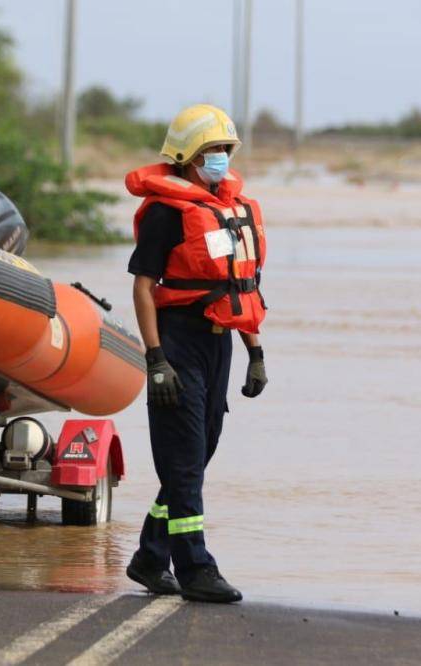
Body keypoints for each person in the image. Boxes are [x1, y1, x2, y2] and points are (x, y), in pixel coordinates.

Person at [124, 104, 268, 603]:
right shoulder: (166, 213)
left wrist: (255, 353)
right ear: (187, 156)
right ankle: (196, 568)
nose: (222, 157)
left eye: (226, 148)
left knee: (197, 454)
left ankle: (150, 557)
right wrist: (156, 359)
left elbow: (240, 288)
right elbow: (143, 289)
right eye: (212, 150)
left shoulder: (229, 213)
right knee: (184, 461)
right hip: (177, 342)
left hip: (218, 343)